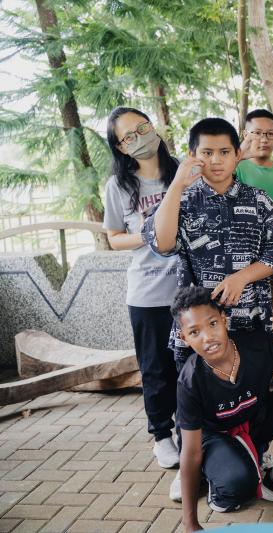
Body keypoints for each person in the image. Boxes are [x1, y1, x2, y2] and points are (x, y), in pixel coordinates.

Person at [142, 117, 273, 500]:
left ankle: (253, 451)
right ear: (193, 155)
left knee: (252, 393)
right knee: (191, 398)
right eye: (207, 152)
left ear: (238, 153)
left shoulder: (259, 202)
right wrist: (177, 184)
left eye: (224, 151)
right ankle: (194, 463)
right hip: (198, 330)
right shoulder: (182, 201)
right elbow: (161, 240)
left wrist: (243, 277)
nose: (217, 160)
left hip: (249, 321)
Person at [172, 286, 273, 532]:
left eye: (213, 324)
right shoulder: (190, 380)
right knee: (237, 485)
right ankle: (216, 478)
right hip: (214, 439)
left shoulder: (258, 345)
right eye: (194, 332)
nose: (208, 337)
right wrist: (190, 523)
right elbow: (190, 452)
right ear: (184, 338)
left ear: (224, 320)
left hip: (252, 422)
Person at [103, 106, 181, 469]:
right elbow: (114, 238)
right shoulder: (118, 186)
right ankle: (162, 436)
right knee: (155, 369)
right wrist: (147, 234)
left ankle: (188, 426)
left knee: (190, 364)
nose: (139, 138)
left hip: (186, 290)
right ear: (120, 147)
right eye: (128, 136)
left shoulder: (180, 171)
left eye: (142, 128)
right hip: (147, 294)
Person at [236, 109, 273, 205]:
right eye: (257, 133)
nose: (264, 139)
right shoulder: (235, 169)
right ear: (246, 135)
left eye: (270, 134)